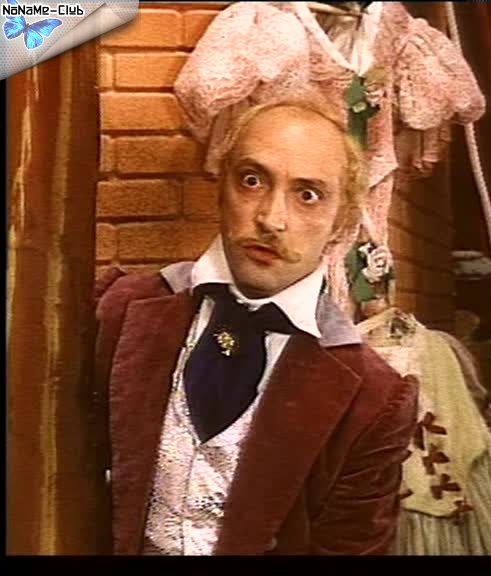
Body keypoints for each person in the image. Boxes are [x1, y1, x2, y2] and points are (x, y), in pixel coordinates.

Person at [92, 97, 420, 555]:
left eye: (308, 195)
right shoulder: (119, 310)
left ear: (342, 221)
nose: (271, 219)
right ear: (221, 185)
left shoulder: (375, 398)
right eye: (252, 180)